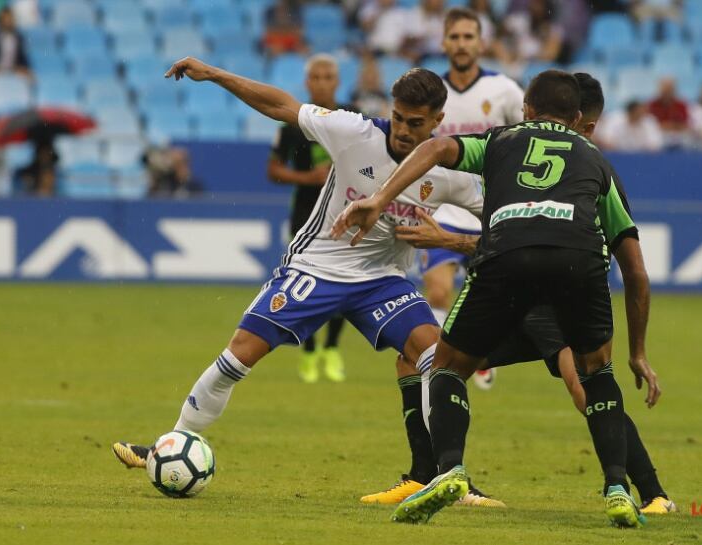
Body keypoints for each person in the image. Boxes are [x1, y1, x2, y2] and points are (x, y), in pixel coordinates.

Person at [112, 57, 499, 508]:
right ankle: (173, 441)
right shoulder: (355, 132)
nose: (403, 130)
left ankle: (448, 479)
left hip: (383, 280)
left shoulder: (449, 174)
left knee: (437, 357)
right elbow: (282, 106)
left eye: (416, 123)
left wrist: (450, 239)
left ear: (438, 122)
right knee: (240, 353)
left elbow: (503, 223)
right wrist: (218, 74)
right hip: (317, 267)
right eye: (397, 117)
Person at [332, 70, 662, 527]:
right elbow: (637, 272)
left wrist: (381, 197)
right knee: (595, 373)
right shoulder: (597, 161)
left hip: (507, 260)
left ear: (526, 108)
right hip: (577, 266)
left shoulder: (502, 140)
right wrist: (639, 353)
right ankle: (617, 490)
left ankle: (449, 470)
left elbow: (436, 147)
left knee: (445, 365)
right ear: (580, 118)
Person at [426, 7, 523, 392]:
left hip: (491, 207)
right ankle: (438, 367)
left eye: (469, 37)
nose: (462, 44)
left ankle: (480, 354)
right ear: (443, 42)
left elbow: (529, 139)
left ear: (481, 43)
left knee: (498, 296)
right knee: (436, 290)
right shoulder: (430, 90)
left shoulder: (504, 90)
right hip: (442, 204)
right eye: (455, 37)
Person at [267, 54, 348, 383]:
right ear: (307, 82)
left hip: (344, 211)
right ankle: (310, 348)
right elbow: (272, 170)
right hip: (305, 212)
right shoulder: (292, 123)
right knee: (302, 282)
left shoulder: (351, 118)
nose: (322, 82)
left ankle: (331, 347)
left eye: (328, 76)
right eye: (316, 77)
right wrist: (309, 179)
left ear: (337, 81)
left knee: (345, 280)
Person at [595, 100, 664, 152]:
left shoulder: (649, 122)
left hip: (642, 157)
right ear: (631, 112)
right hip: (617, 155)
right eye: (638, 112)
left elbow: (656, 144)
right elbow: (606, 140)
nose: (642, 115)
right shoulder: (615, 119)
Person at [0, 6, 31, 79]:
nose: (7, 21)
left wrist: (22, 68)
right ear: (0, 20)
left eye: (9, 19)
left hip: (14, 70)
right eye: (5, 19)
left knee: (29, 76)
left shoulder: (18, 38)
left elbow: (23, 58)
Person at [648, 77, 690, 149]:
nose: (667, 92)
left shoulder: (681, 105)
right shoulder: (651, 105)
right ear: (660, 90)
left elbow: (686, 125)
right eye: (665, 89)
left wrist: (670, 126)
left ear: (674, 90)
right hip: (658, 136)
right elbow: (648, 125)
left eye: (669, 89)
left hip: (678, 136)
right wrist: (670, 125)